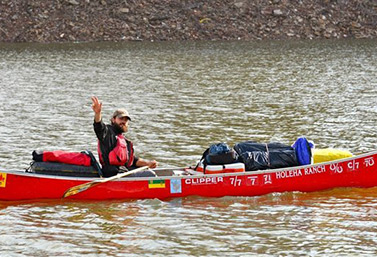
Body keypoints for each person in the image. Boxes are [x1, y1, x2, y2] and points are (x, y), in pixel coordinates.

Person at [91, 96, 158, 177]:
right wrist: (98, 113)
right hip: (113, 174)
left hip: (123, 171)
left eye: (126, 120)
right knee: (150, 175)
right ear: (113, 120)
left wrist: (148, 163)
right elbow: (99, 127)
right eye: (121, 119)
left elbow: (133, 160)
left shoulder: (124, 141)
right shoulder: (107, 134)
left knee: (148, 170)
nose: (123, 121)